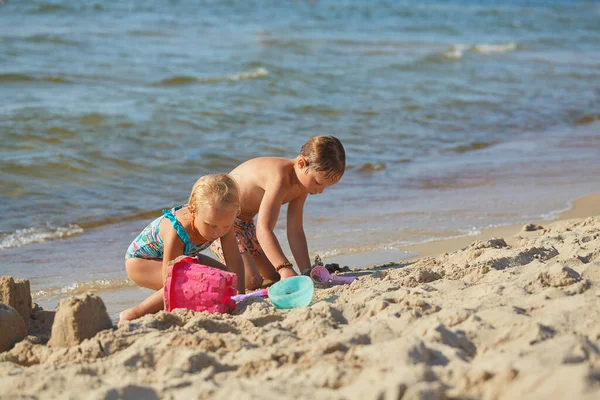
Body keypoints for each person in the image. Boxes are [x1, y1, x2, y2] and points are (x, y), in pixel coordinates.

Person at [209, 136, 345, 290]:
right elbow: (264, 229)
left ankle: (238, 267)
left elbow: (295, 231)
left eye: (325, 187)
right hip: (220, 222)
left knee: (272, 276)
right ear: (302, 163)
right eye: (318, 183)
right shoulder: (279, 176)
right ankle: (207, 275)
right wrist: (284, 268)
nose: (319, 190)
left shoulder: (303, 184)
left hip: (245, 226)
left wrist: (306, 271)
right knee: (251, 281)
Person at [119, 174, 245, 322]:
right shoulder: (177, 231)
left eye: (225, 226)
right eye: (211, 226)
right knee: (194, 282)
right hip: (141, 264)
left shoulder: (222, 221)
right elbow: (170, 279)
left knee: (226, 280)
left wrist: (240, 296)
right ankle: (134, 314)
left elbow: (234, 259)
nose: (217, 233)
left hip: (181, 261)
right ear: (193, 210)